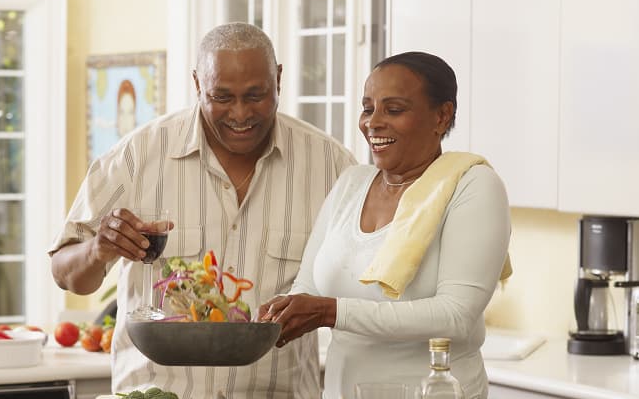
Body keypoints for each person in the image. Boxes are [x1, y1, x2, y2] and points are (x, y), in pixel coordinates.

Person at [49, 22, 356, 398]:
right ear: (197, 84)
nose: (240, 114)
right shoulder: (135, 157)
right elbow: (66, 275)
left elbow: (363, 289)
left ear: (279, 79)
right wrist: (98, 248)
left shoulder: (331, 165)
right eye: (222, 97)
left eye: (256, 95)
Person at [258, 52, 511, 399]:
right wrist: (255, 319)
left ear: (441, 115)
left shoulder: (472, 186)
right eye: (368, 108)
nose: (373, 122)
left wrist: (332, 311)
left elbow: (455, 315)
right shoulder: (351, 183)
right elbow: (308, 289)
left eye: (394, 110)